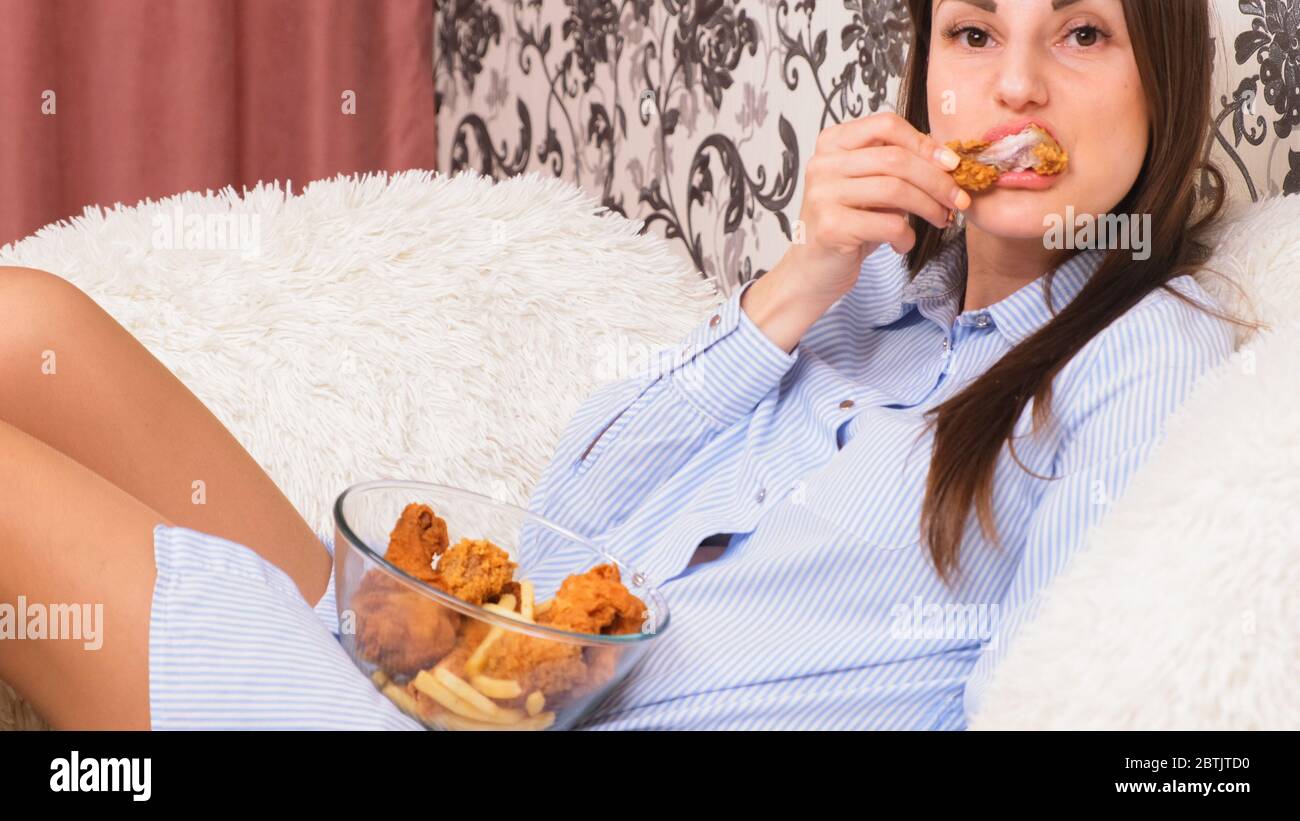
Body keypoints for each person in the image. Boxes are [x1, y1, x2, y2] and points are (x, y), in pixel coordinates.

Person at [0, 0, 1259, 729]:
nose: (1015, 89)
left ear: (1166, 72)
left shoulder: (1147, 349)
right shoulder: (864, 287)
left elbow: (1045, 702)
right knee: (29, 320)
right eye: (974, 34)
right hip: (450, 677)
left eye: (1083, 33)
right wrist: (788, 290)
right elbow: (573, 511)